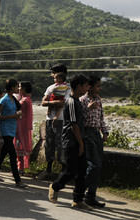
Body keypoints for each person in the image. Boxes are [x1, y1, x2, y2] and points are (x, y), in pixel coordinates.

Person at [48, 74, 92, 210]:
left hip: (79, 140)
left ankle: (78, 200)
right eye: (85, 85)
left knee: (82, 171)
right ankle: (55, 186)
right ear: (79, 86)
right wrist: (81, 144)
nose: (87, 88)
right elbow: (74, 125)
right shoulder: (71, 102)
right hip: (71, 141)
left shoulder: (77, 101)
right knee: (71, 170)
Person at [80, 75, 108, 208]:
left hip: (96, 133)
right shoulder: (82, 100)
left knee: (98, 166)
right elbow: (79, 121)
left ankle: (91, 196)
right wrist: (88, 109)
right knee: (93, 165)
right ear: (90, 87)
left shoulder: (98, 99)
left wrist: (105, 131)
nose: (100, 88)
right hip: (87, 133)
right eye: (98, 86)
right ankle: (80, 191)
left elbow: (101, 117)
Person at [0, 79, 26, 187]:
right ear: (11, 88)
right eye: (16, 87)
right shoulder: (4, 100)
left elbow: (19, 110)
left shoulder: (13, 99)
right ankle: (17, 180)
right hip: (5, 129)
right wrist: (12, 116)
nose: (18, 89)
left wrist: (18, 113)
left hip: (12, 128)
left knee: (4, 152)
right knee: (12, 154)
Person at [41, 64, 70, 178]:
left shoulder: (68, 87)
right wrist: (52, 103)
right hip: (50, 119)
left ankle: (63, 172)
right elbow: (43, 102)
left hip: (62, 119)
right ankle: (48, 170)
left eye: (53, 73)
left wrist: (49, 103)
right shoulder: (50, 87)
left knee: (61, 145)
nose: (52, 75)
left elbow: (64, 103)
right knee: (49, 144)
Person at [14, 81, 33, 174]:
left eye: (20, 87)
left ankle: (20, 168)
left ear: (24, 89)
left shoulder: (24, 101)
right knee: (20, 148)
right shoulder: (26, 99)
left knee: (19, 148)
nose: (18, 89)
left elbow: (16, 111)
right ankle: (20, 167)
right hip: (22, 127)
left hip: (21, 128)